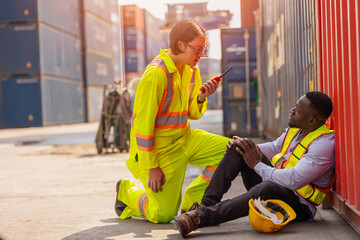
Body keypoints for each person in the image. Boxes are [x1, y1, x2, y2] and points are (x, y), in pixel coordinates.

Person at [114, 19, 229, 223]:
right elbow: (142, 127)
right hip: (160, 151)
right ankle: (127, 191)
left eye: (204, 49)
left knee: (231, 151)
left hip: (184, 138)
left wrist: (202, 97)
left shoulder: (192, 69)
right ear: (180, 45)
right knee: (162, 215)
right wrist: (152, 167)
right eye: (197, 49)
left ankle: (192, 202)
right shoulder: (155, 75)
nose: (200, 55)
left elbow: (192, 113)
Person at [174, 91, 335, 237]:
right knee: (240, 147)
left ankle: (202, 217)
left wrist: (256, 164)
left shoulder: (323, 145)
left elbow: (294, 180)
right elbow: (274, 147)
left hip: (299, 205)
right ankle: (206, 205)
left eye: (297, 110)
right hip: (278, 185)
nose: (292, 110)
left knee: (266, 188)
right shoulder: (298, 129)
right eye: (295, 106)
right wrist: (247, 148)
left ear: (312, 120)